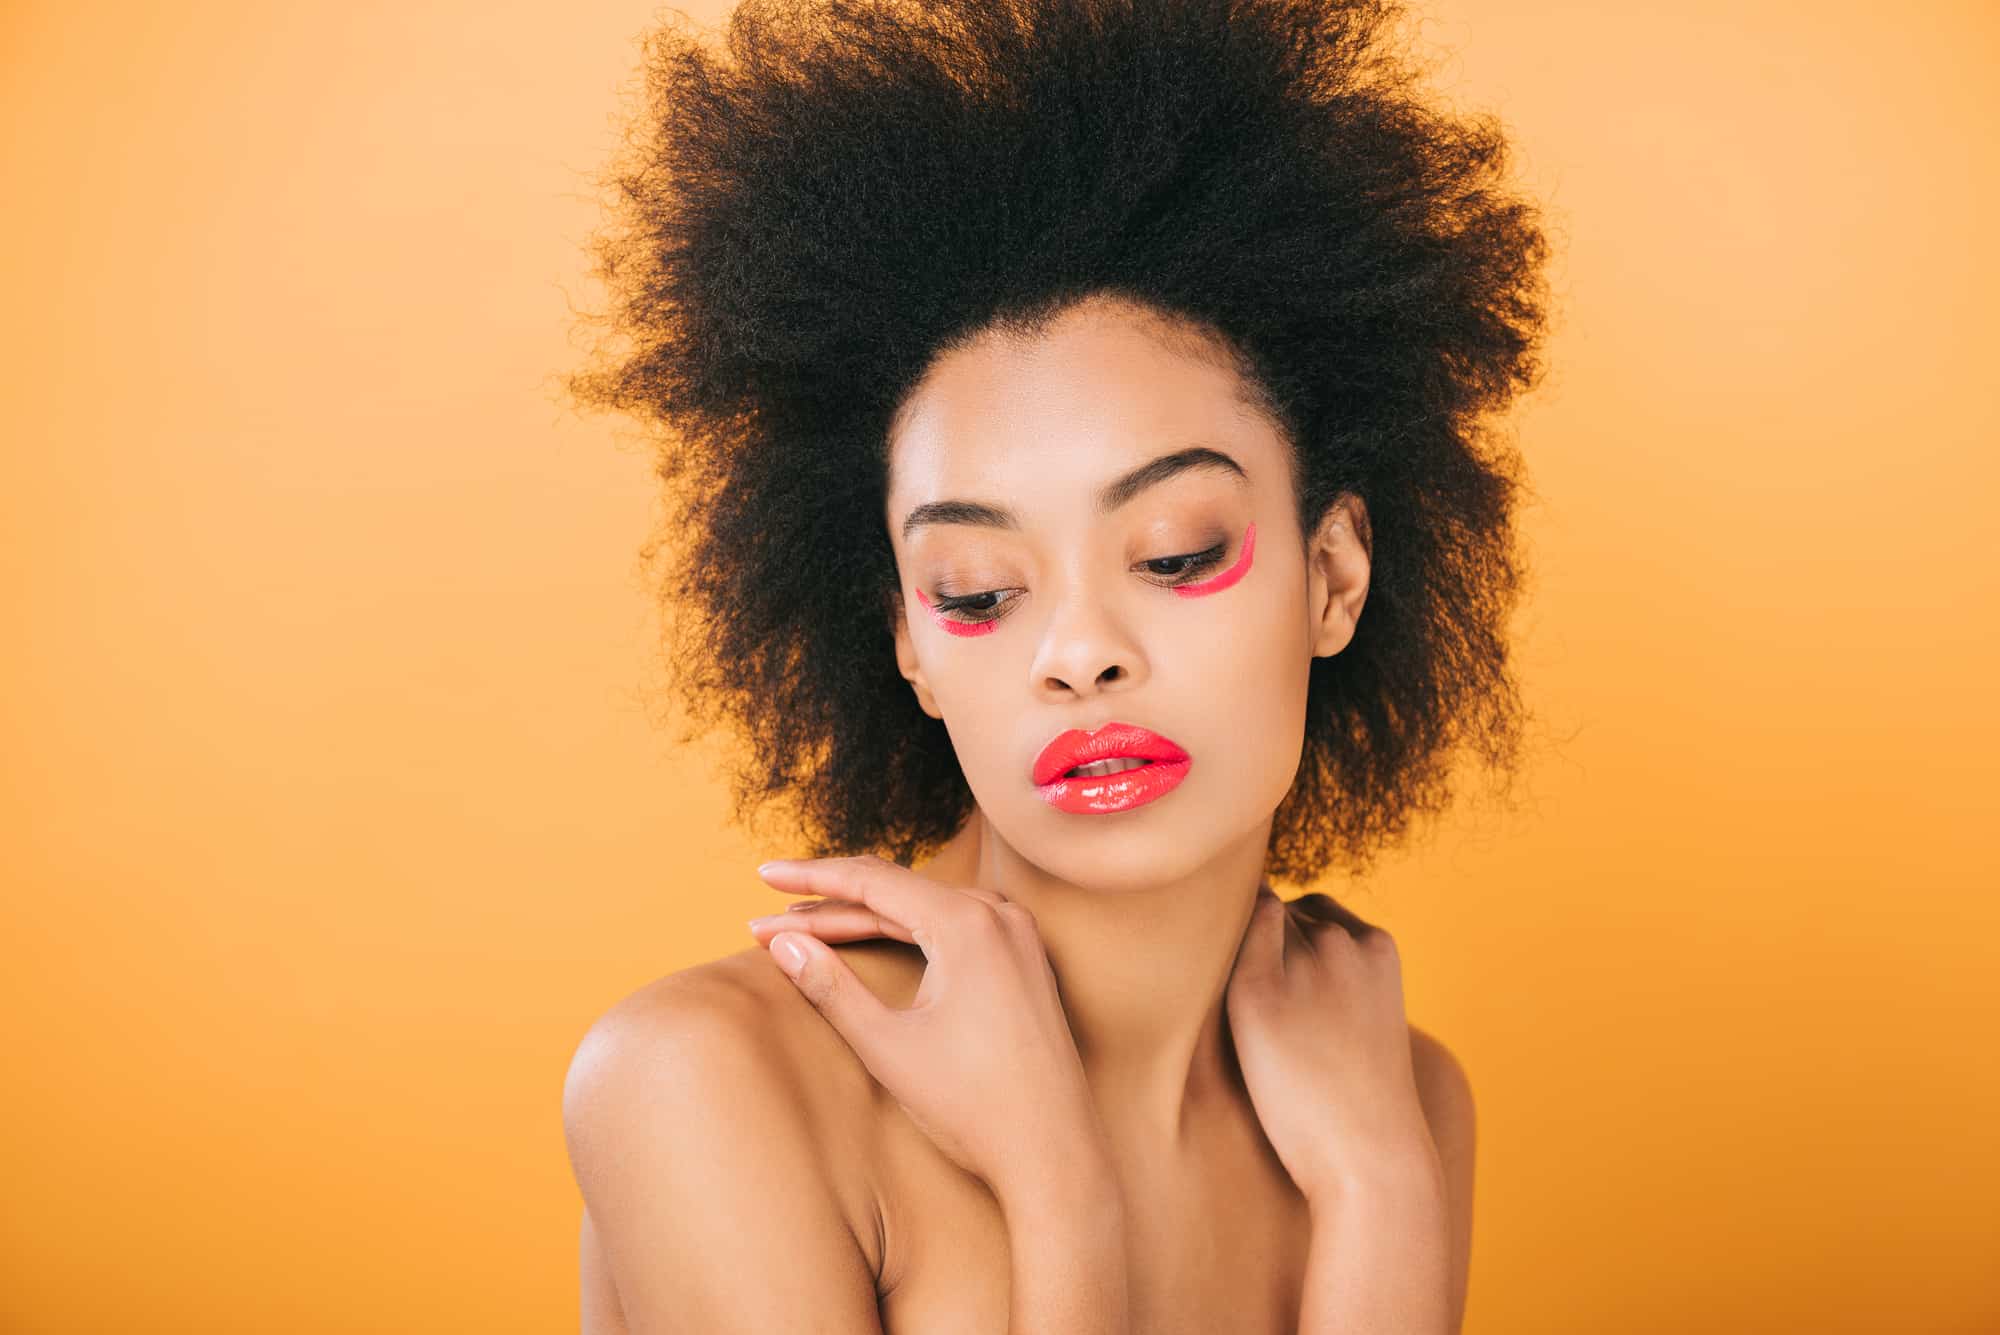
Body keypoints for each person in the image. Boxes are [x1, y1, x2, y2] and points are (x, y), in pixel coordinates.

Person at [558, 0, 1552, 1329]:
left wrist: (1380, 1190)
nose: (1080, 654)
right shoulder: (708, 1077)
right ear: (908, 639)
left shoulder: (1393, 1098)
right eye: (979, 590)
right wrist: (1059, 1189)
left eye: (1178, 553)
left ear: (1334, 577)